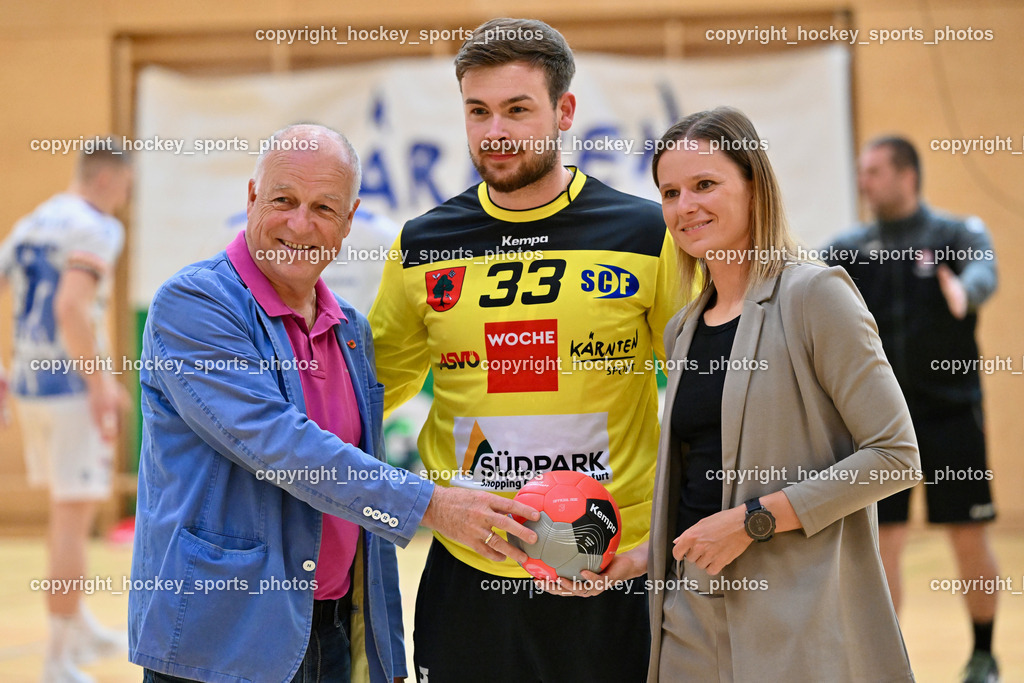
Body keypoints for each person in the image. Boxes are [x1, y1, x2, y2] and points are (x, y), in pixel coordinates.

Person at [128, 124, 539, 683]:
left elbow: (356, 492)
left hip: (331, 633)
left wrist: (384, 647)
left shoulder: (351, 330)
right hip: (223, 638)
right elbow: (280, 446)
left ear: (349, 222)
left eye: (324, 207)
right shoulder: (194, 304)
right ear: (251, 198)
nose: (301, 224)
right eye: (283, 200)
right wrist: (434, 505)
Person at [369, 18, 681, 683]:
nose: (494, 131)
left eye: (517, 109)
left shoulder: (644, 233)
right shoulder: (423, 243)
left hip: (610, 566)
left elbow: (707, 391)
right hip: (470, 573)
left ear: (564, 111)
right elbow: (368, 393)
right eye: (477, 111)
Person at [644, 107, 921, 681]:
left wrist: (752, 521)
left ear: (754, 186)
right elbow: (697, 481)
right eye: (670, 192)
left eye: (704, 185)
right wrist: (644, 559)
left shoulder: (816, 295)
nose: (684, 206)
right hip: (688, 616)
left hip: (797, 616)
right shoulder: (682, 328)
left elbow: (895, 455)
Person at [825, 136, 1000, 683]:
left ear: (907, 176)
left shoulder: (955, 233)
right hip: (878, 423)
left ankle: (983, 654)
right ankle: (882, 666)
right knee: (882, 545)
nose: (864, 181)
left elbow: (982, 275)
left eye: (874, 171)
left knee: (968, 534)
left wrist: (963, 292)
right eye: (862, 171)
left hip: (951, 413)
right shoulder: (850, 246)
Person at [0, 144, 132, 683]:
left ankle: (77, 624)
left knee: (64, 511)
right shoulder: (94, 227)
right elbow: (70, 307)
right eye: (125, 187)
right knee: (71, 522)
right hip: (70, 388)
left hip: (28, 385)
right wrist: (100, 384)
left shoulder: (33, 221)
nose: (125, 199)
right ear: (106, 180)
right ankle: (57, 657)